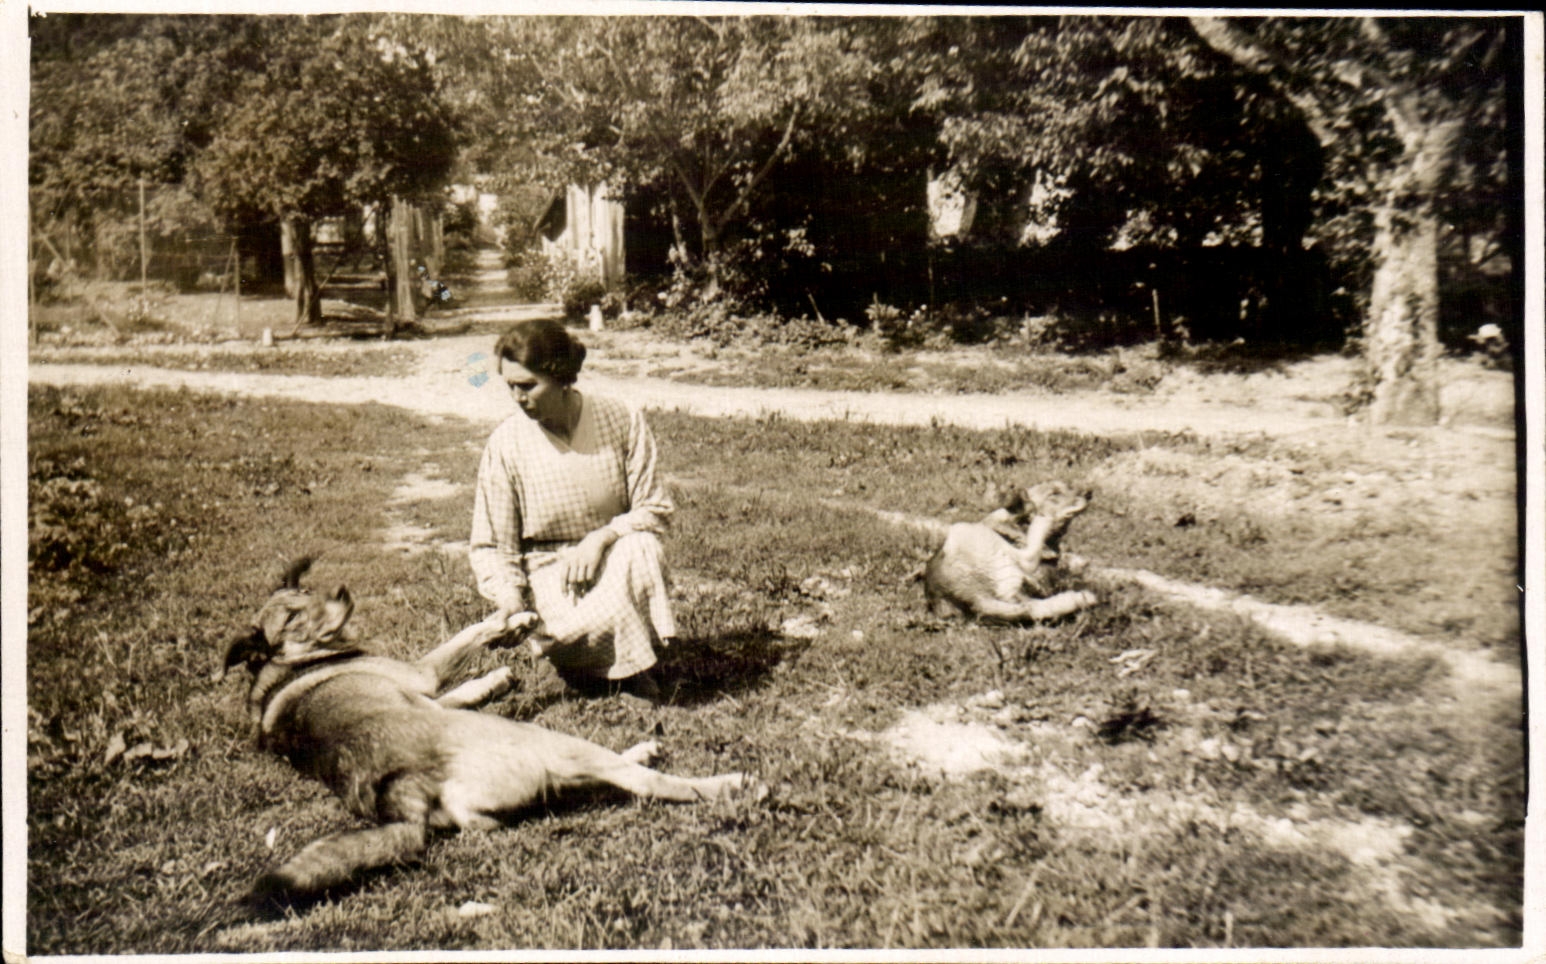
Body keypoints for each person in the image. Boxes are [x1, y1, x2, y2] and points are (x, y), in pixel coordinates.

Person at [469, 319, 673, 701]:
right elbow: (496, 545)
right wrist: (511, 600)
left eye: (528, 386)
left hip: (615, 556)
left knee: (642, 547)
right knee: (576, 626)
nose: (517, 397)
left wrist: (600, 538)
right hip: (552, 574)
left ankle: (634, 672)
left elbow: (654, 508)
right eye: (510, 386)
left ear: (562, 377)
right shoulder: (506, 445)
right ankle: (597, 665)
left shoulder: (621, 418)